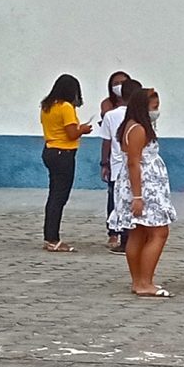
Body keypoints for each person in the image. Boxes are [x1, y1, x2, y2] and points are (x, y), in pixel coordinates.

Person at [116, 80, 173, 297]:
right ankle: (145, 281)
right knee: (159, 232)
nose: (156, 111)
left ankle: (139, 280)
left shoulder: (132, 125)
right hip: (145, 187)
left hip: (145, 185)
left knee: (138, 233)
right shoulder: (138, 129)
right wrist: (138, 196)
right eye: (154, 107)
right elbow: (134, 162)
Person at [39, 74, 93, 253]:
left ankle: (49, 235)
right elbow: (71, 133)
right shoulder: (66, 107)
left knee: (54, 194)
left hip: (50, 149)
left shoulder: (47, 106)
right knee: (59, 197)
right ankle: (53, 238)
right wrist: (83, 129)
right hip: (64, 153)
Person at [98, 71, 132, 251]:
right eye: (115, 83)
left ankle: (129, 233)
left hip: (131, 161)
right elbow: (107, 139)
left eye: (122, 83)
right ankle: (113, 231)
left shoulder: (137, 108)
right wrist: (104, 163)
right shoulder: (109, 107)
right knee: (114, 197)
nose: (118, 86)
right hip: (116, 161)